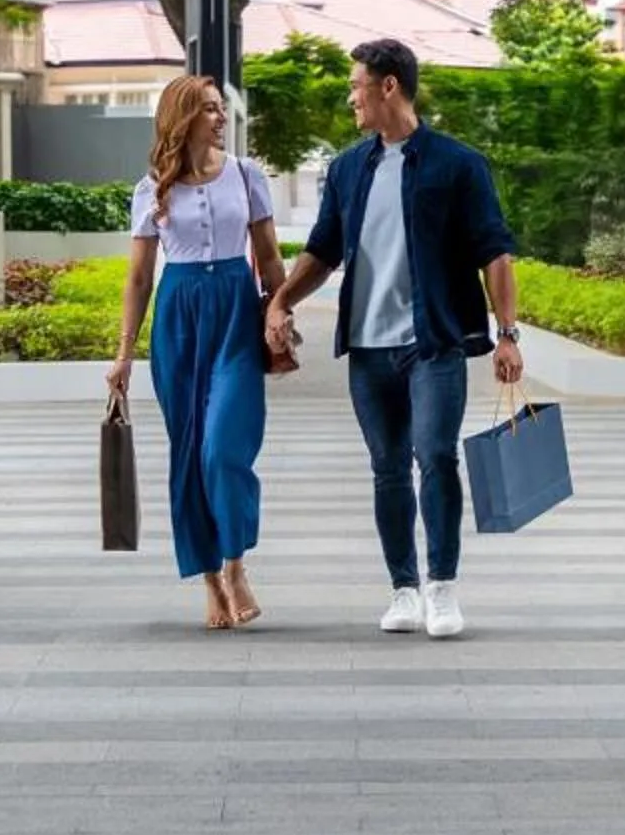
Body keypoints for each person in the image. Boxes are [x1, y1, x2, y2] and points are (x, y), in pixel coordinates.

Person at [264, 38, 522, 640]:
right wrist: (280, 299)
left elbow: (495, 252)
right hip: (369, 348)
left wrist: (507, 335)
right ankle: (402, 588)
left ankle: (443, 588)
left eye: (356, 85)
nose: (350, 96)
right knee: (386, 468)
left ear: (388, 86)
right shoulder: (349, 168)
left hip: (434, 342)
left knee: (434, 457)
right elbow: (323, 250)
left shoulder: (459, 164)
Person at [108, 73, 290, 630]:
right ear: (181, 118)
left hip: (236, 314)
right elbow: (138, 280)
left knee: (223, 449)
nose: (219, 118)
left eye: (220, 109)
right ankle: (210, 580)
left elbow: (269, 256)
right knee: (189, 453)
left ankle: (236, 565)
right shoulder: (152, 188)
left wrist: (280, 311)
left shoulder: (246, 174)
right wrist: (123, 356)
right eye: (208, 110)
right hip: (179, 321)